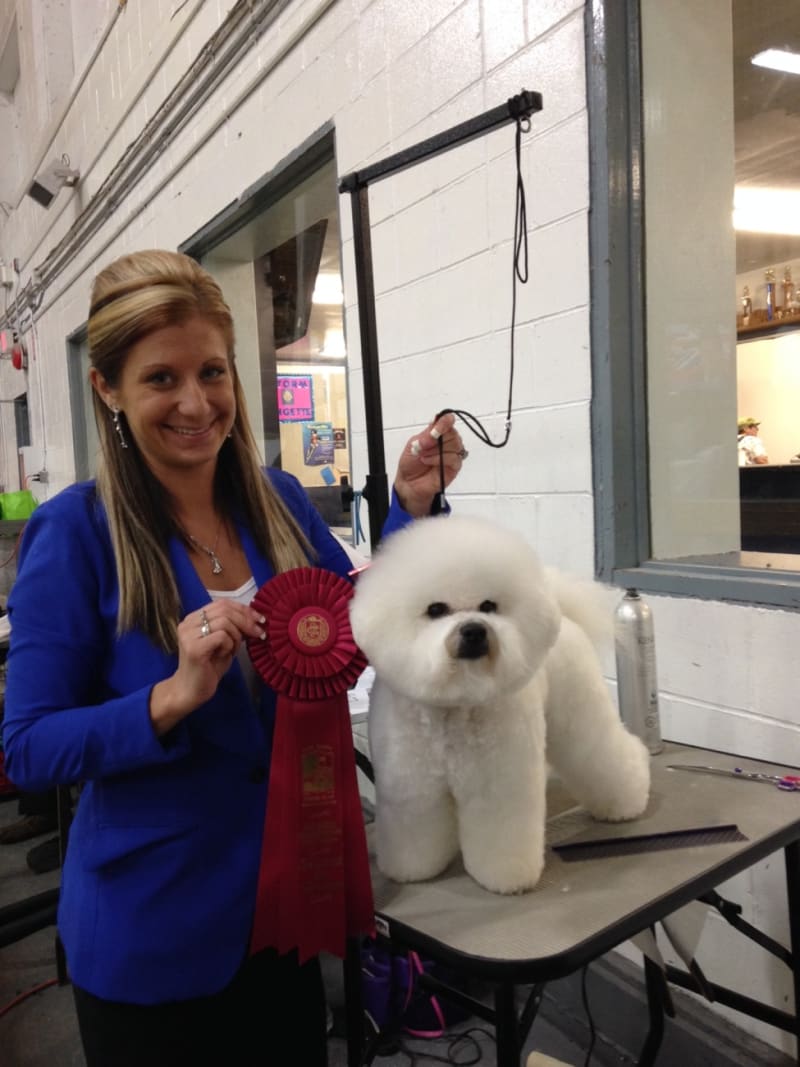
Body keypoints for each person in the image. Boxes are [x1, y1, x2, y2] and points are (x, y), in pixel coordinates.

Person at [1, 249, 466, 1067]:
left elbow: (362, 617)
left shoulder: (275, 498)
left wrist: (411, 507)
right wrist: (169, 698)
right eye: (161, 378)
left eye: (211, 371)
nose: (195, 402)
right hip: (154, 938)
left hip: (284, 913)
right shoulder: (76, 532)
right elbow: (28, 747)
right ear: (107, 387)